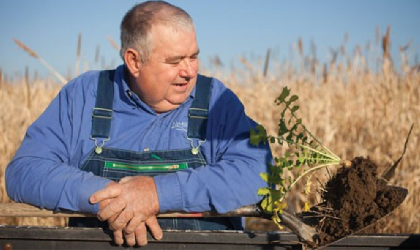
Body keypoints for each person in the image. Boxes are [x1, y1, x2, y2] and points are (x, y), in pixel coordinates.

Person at [6, 1, 272, 247]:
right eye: (175, 60)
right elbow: (25, 171)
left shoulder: (216, 101)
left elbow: (258, 172)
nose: (189, 71)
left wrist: (157, 193)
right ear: (134, 61)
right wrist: (108, 197)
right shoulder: (83, 96)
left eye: (193, 56)